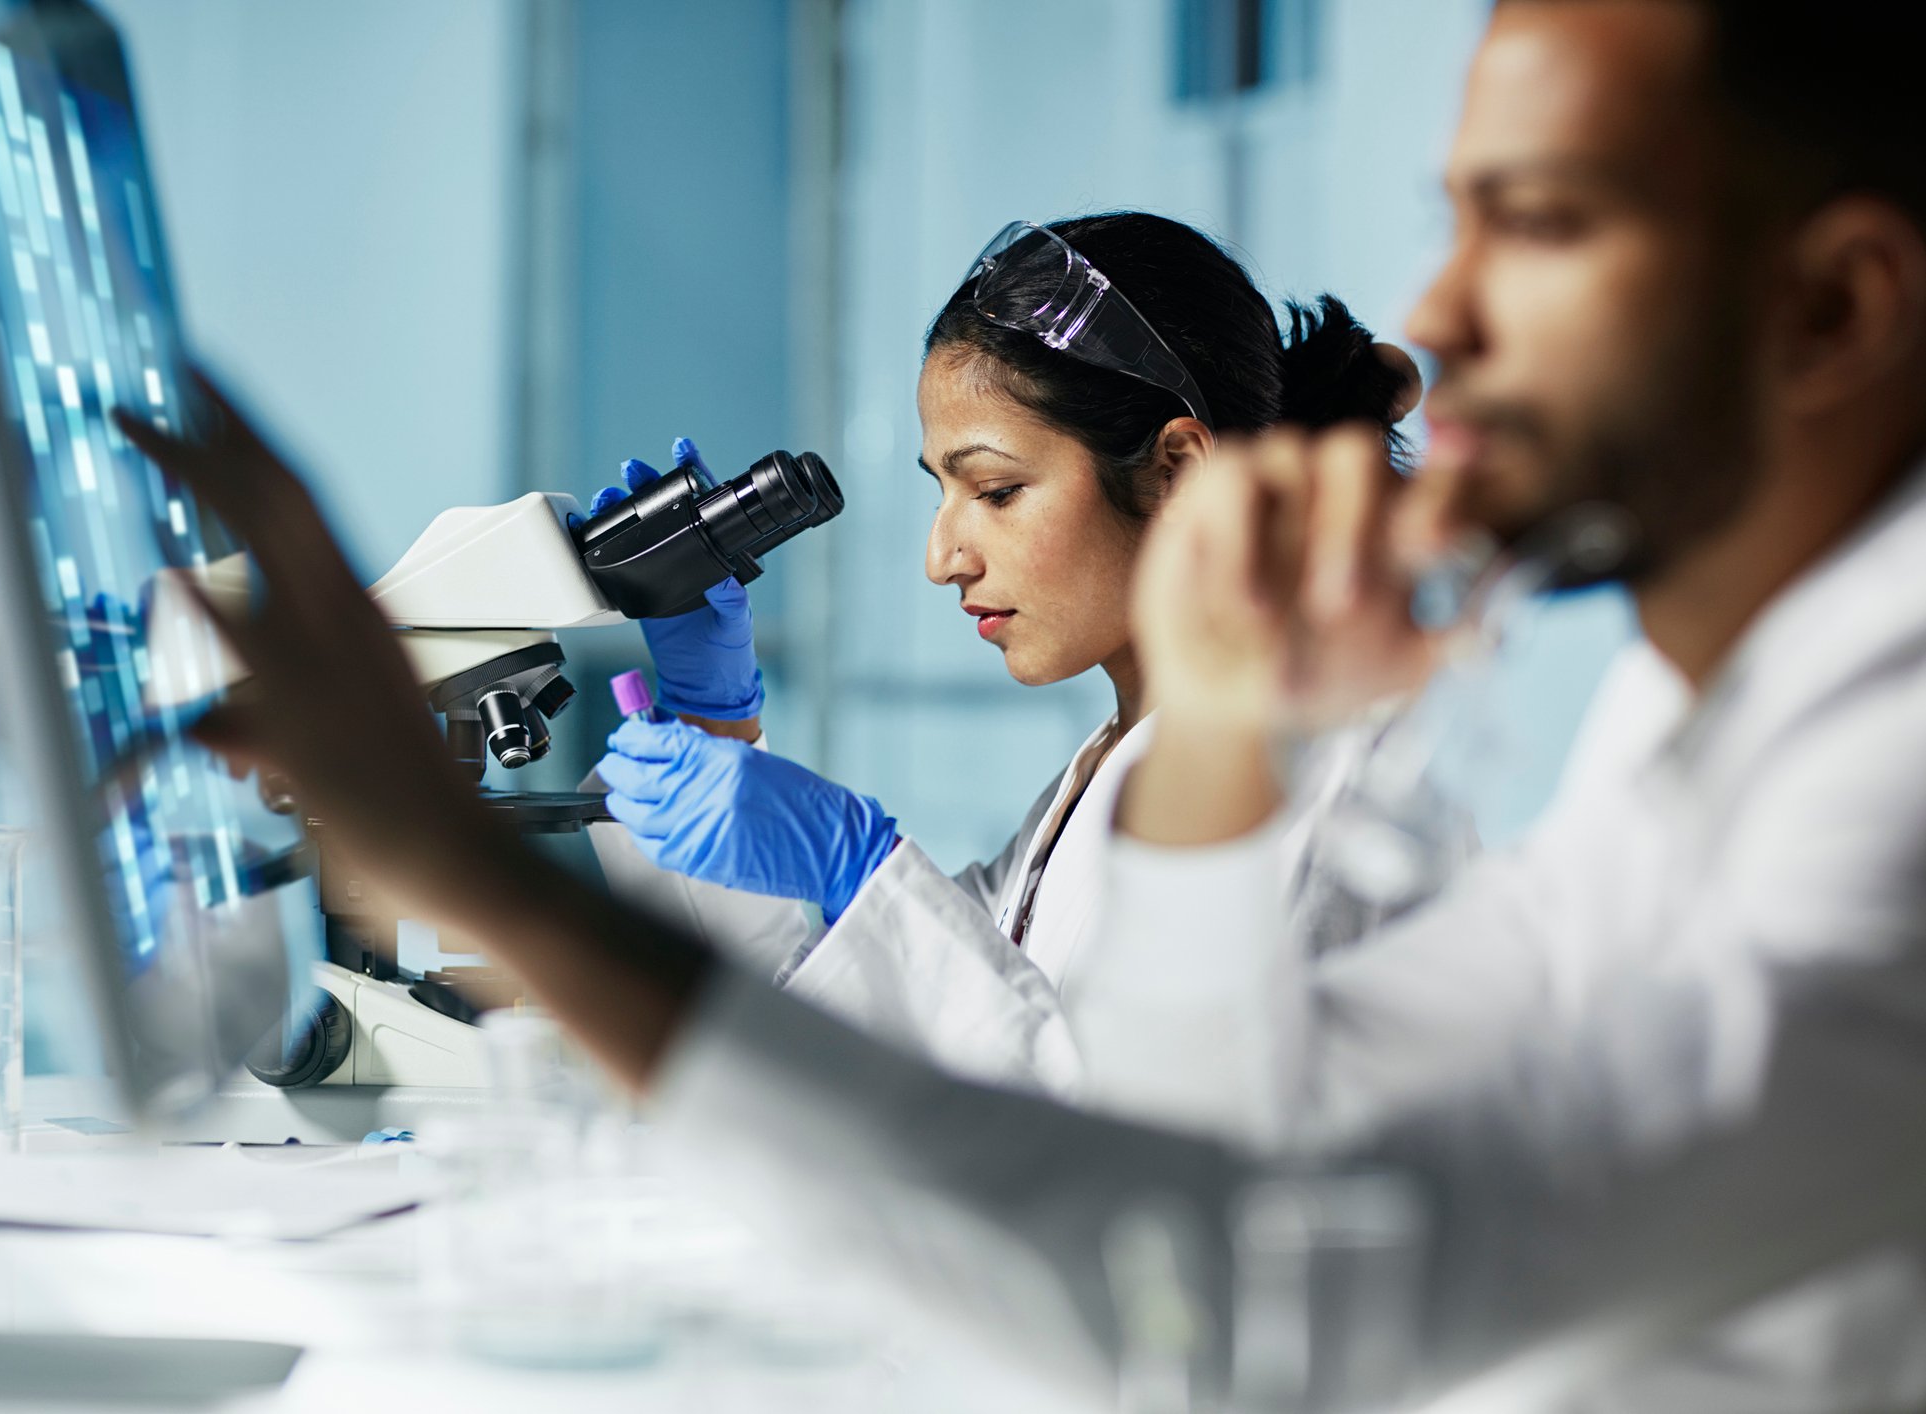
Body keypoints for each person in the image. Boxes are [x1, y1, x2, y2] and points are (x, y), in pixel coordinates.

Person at [116, 0, 1926, 1405]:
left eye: (1534, 223)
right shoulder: (1700, 738)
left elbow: (1212, 1294)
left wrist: (486, 870)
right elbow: (1183, 1149)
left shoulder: (1884, 821)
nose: (1443, 304)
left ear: (1834, 309)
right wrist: (1188, 739)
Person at [581, 213, 1464, 1111]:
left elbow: (1120, 1157)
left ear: (1176, 472)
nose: (943, 557)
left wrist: (862, 870)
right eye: (944, 492)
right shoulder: (1102, 777)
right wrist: (713, 722)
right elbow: (856, 1047)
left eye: (996, 491)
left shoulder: (1298, 782)